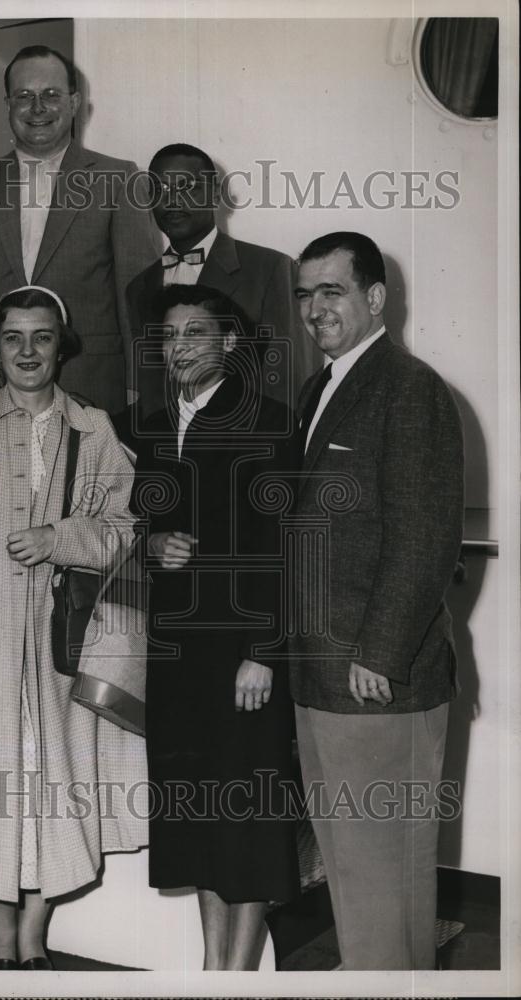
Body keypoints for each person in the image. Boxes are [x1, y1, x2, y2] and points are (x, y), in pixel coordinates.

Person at [0, 285, 147, 970]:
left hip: (61, 644)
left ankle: (33, 934)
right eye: (12, 337)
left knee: (56, 777)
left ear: (61, 345)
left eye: (41, 337)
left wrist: (59, 537)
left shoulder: (94, 428)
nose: (26, 351)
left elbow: (123, 529)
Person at [289, 232, 464, 970]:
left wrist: (379, 655)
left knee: (383, 872)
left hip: (374, 679)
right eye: (304, 294)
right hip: (321, 675)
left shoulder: (408, 386)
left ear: (374, 298)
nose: (314, 309)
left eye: (330, 291)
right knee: (354, 870)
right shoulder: (322, 386)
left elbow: (425, 539)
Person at [131, 283, 300, 970]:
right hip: (178, 653)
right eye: (169, 337)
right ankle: (212, 968)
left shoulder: (269, 421)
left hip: (243, 651)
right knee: (198, 810)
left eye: (195, 334)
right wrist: (150, 546)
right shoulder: (148, 423)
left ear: (228, 344)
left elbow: (285, 545)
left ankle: (233, 976)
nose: (178, 349)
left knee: (249, 817)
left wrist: (263, 651)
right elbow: (138, 526)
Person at [0, 45, 158, 414]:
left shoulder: (120, 178)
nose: (38, 107)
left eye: (51, 95)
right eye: (24, 96)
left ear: (75, 103)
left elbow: (138, 296)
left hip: (91, 387)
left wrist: (144, 389)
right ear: (8, 105)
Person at [125, 143, 320, 422]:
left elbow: (288, 380)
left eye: (186, 187)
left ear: (215, 194)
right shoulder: (139, 288)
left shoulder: (269, 269)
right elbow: (152, 389)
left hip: (245, 451)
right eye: (160, 189)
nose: (172, 200)